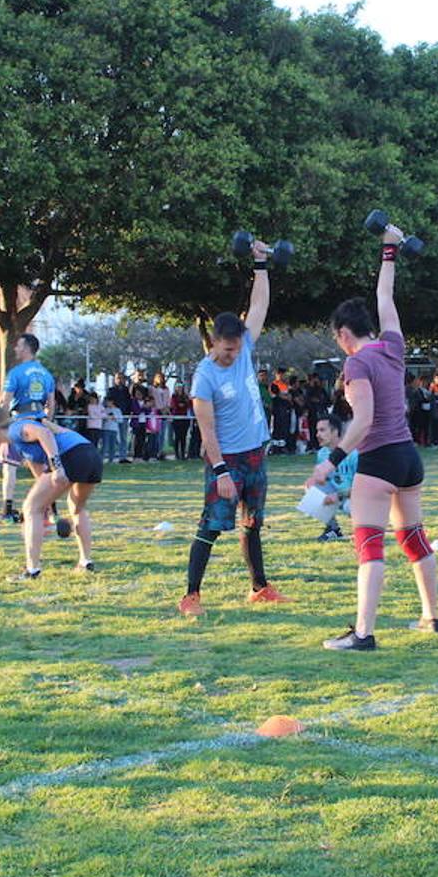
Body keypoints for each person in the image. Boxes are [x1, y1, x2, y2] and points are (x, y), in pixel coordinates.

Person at [309, 223, 438, 650]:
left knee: (369, 544)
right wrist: (390, 251)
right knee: (413, 537)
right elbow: (386, 298)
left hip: (380, 459)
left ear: (344, 335)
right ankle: (431, 616)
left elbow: (363, 421)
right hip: (408, 457)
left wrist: (330, 461)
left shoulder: (357, 364)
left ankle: (363, 633)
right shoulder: (393, 346)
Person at [178, 238, 286, 617]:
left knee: (252, 523)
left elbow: (259, 306)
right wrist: (221, 469)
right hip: (226, 460)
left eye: (237, 349)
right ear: (213, 343)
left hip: (256, 452)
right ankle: (191, 595)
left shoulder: (244, 348)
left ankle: (259, 587)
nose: (234, 355)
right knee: (211, 526)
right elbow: (206, 430)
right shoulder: (204, 376)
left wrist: (260, 264)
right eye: (227, 350)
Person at [0, 407, 103, 579]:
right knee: (76, 508)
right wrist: (47, 509)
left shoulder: (15, 429)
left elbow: (44, 433)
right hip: (90, 454)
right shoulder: (20, 443)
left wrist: (57, 467)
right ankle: (85, 561)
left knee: (30, 508)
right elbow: (41, 476)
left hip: (71, 454)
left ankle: (32, 570)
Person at [0, 333, 55, 523]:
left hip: (17, 422)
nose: (15, 349)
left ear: (27, 348)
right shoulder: (46, 374)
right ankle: (52, 511)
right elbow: (51, 406)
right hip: (39, 424)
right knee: (41, 471)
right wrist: (44, 423)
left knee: (9, 467)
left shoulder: (16, 373)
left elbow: (4, 403)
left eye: (19, 345)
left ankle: (7, 511)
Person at [311, 412, 358, 541]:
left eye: (322, 430)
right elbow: (324, 481)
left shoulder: (354, 454)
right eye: (317, 430)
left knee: (351, 505)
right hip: (340, 495)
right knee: (312, 492)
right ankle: (333, 529)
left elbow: (363, 488)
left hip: (359, 497)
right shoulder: (322, 454)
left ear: (335, 431)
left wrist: (337, 496)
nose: (317, 435)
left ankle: (363, 529)